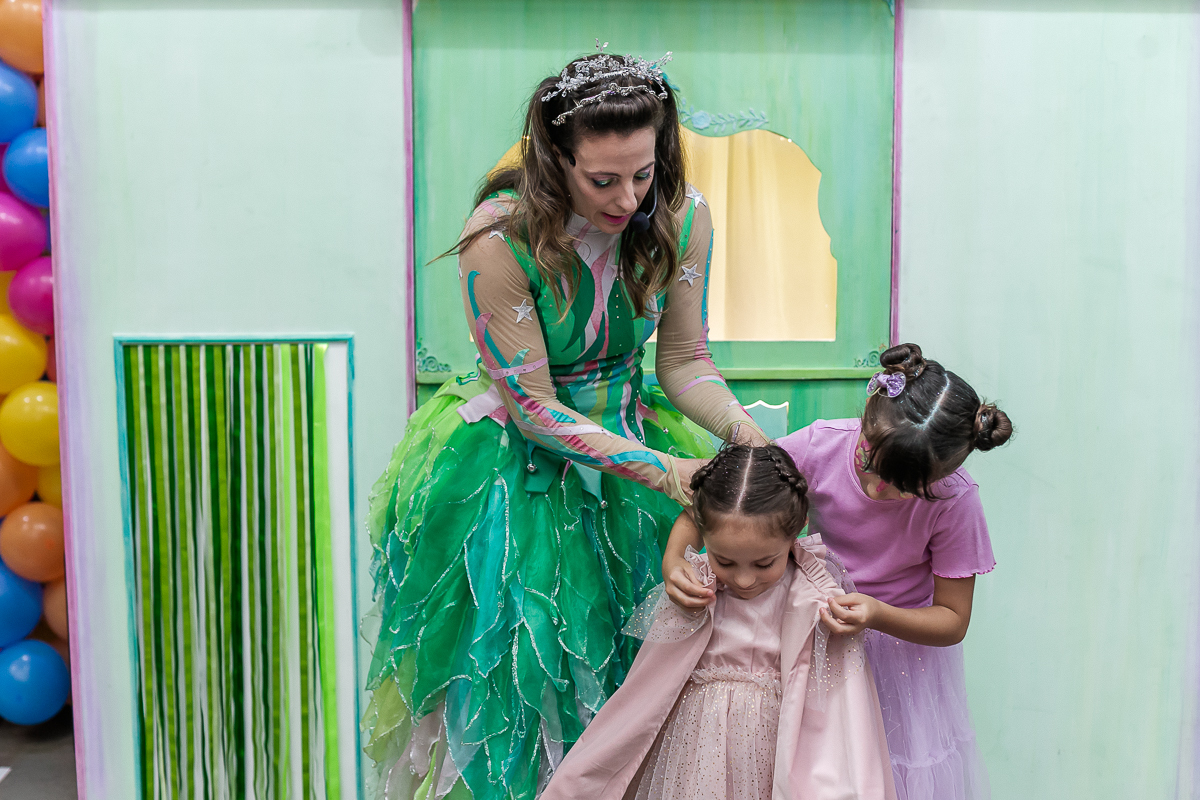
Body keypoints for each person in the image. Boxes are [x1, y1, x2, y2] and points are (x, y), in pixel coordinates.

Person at [362, 45, 769, 800]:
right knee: (524, 705)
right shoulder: (500, 235)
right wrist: (666, 471)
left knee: (644, 700)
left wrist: (749, 438)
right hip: (514, 478)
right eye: (602, 179)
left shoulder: (684, 216)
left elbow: (683, 363)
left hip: (635, 455)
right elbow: (535, 407)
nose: (626, 198)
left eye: (643, 173)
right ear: (556, 159)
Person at [664, 343, 1013, 800]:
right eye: (869, 461)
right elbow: (715, 498)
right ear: (868, 415)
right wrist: (675, 560)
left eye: (904, 487)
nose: (874, 485)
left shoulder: (955, 501)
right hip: (808, 644)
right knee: (807, 772)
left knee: (882, 776)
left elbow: (952, 620)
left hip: (897, 660)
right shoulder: (820, 445)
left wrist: (876, 614)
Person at [541, 444, 896, 800]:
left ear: (797, 531)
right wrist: (675, 560)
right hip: (694, 744)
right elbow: (651, 686)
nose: (743, 580)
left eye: (763, 563)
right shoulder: (694, 585)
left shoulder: (815, 598)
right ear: (703, 533)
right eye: (725, 561)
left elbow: (840, 714)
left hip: (775, 747)